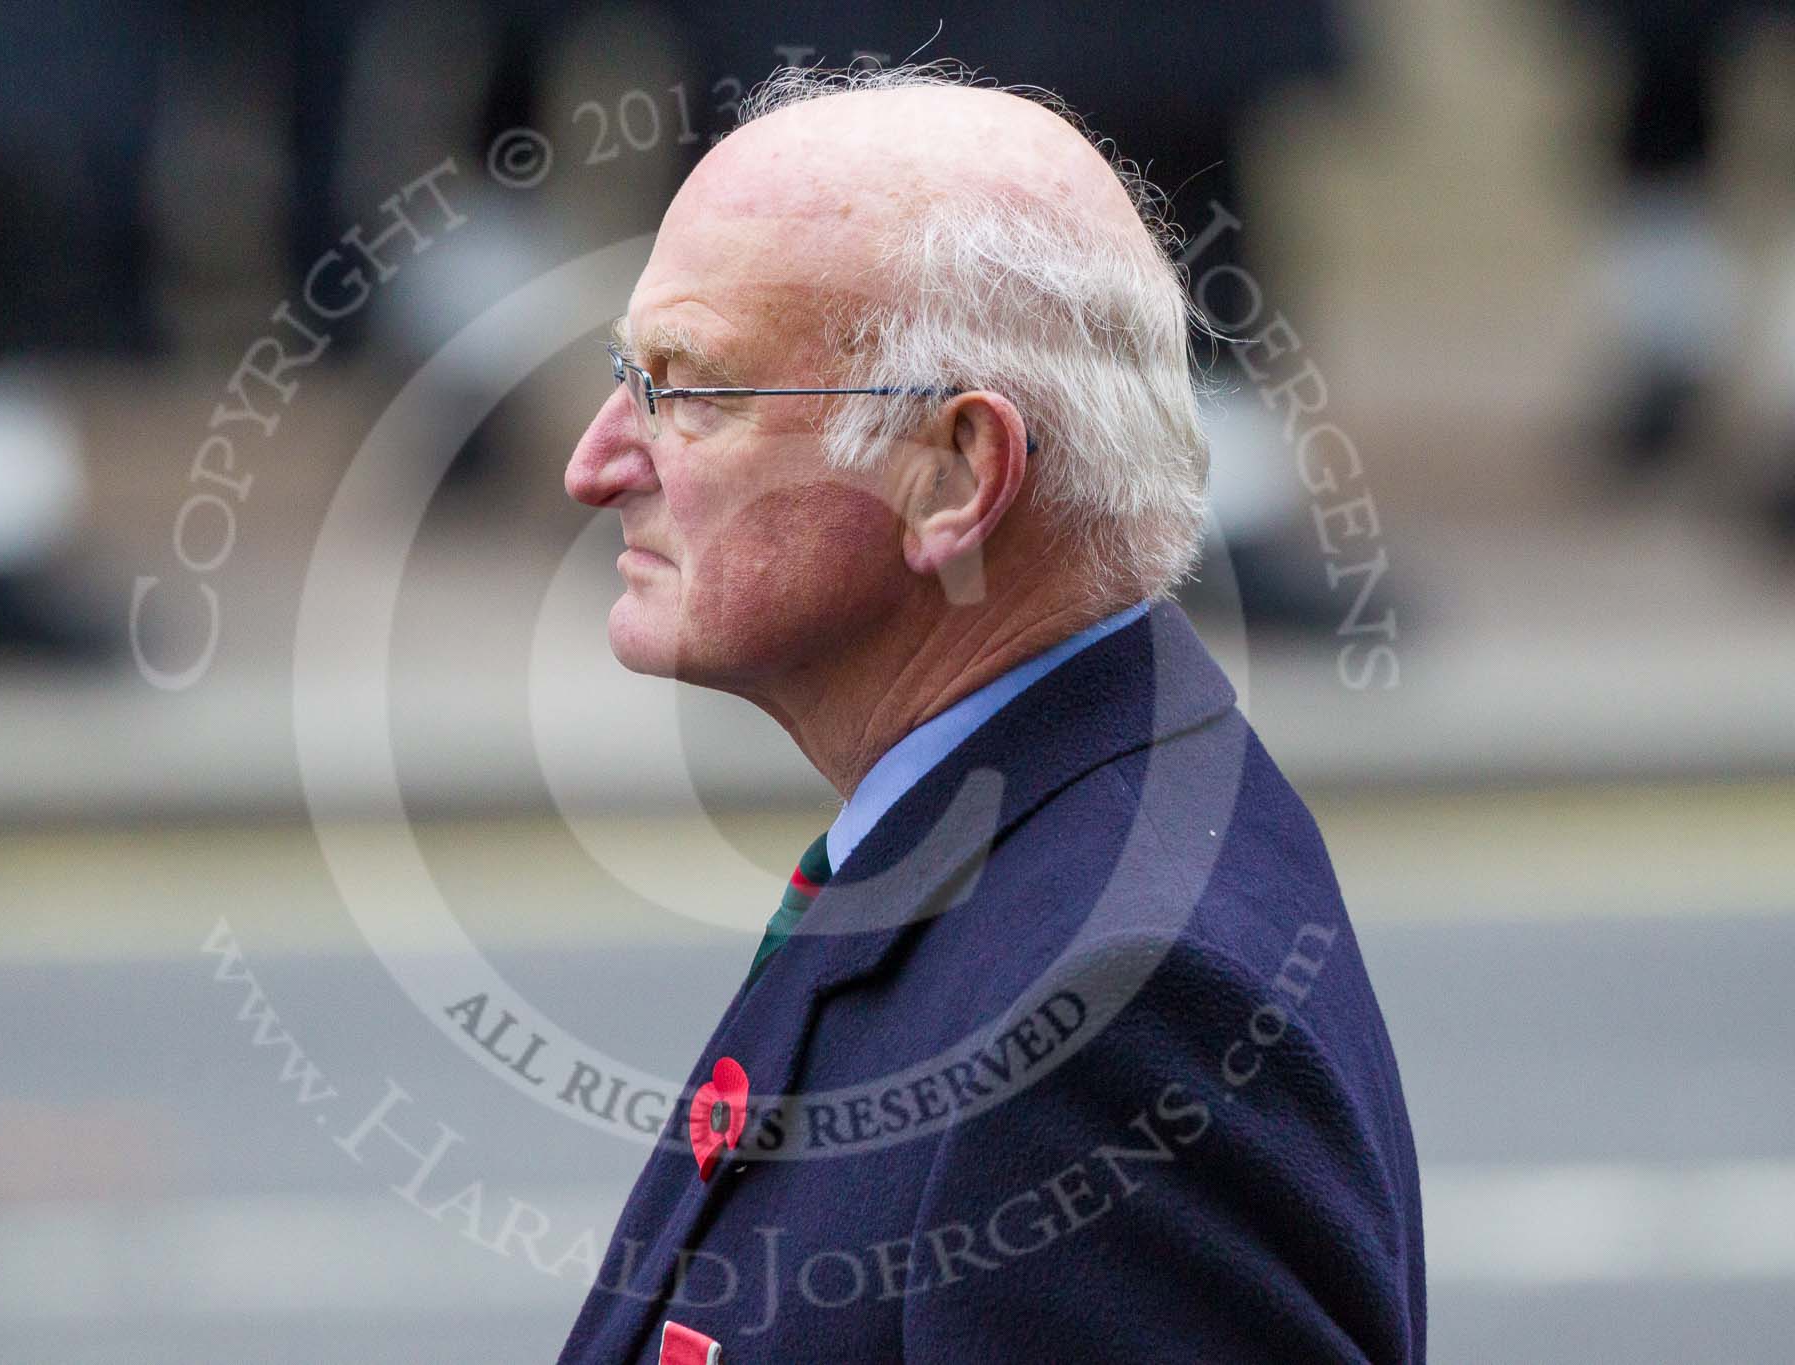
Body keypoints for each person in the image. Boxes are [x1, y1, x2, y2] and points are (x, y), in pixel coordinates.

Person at [559, 64, 1424, 1363]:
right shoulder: (1030, 840)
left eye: (692, 390)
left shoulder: (1109, 1027)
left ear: (955, 476)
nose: (596, 462)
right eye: (628, 372)